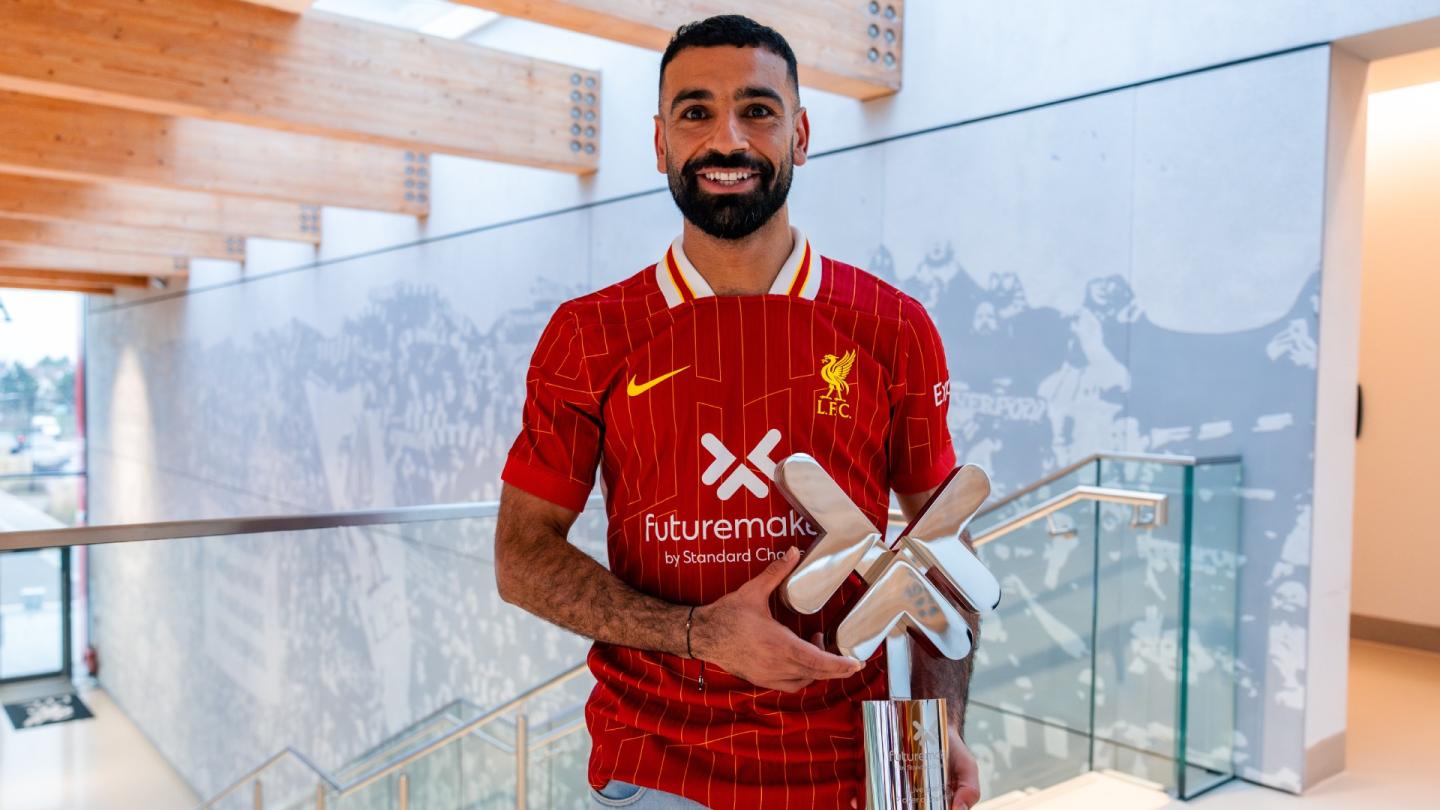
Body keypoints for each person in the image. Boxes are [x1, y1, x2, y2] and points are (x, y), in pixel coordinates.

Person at [496, 15, 981, 809]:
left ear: (801, 135)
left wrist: (943, 721)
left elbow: (943, 544)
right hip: (656, 767)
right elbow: (521, 557)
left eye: (758, 110)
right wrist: (698, 634)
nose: (728, 139)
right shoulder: (589, 335)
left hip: (851, 771)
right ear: (660, 142)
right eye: (696, 112)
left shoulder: (893, 326)